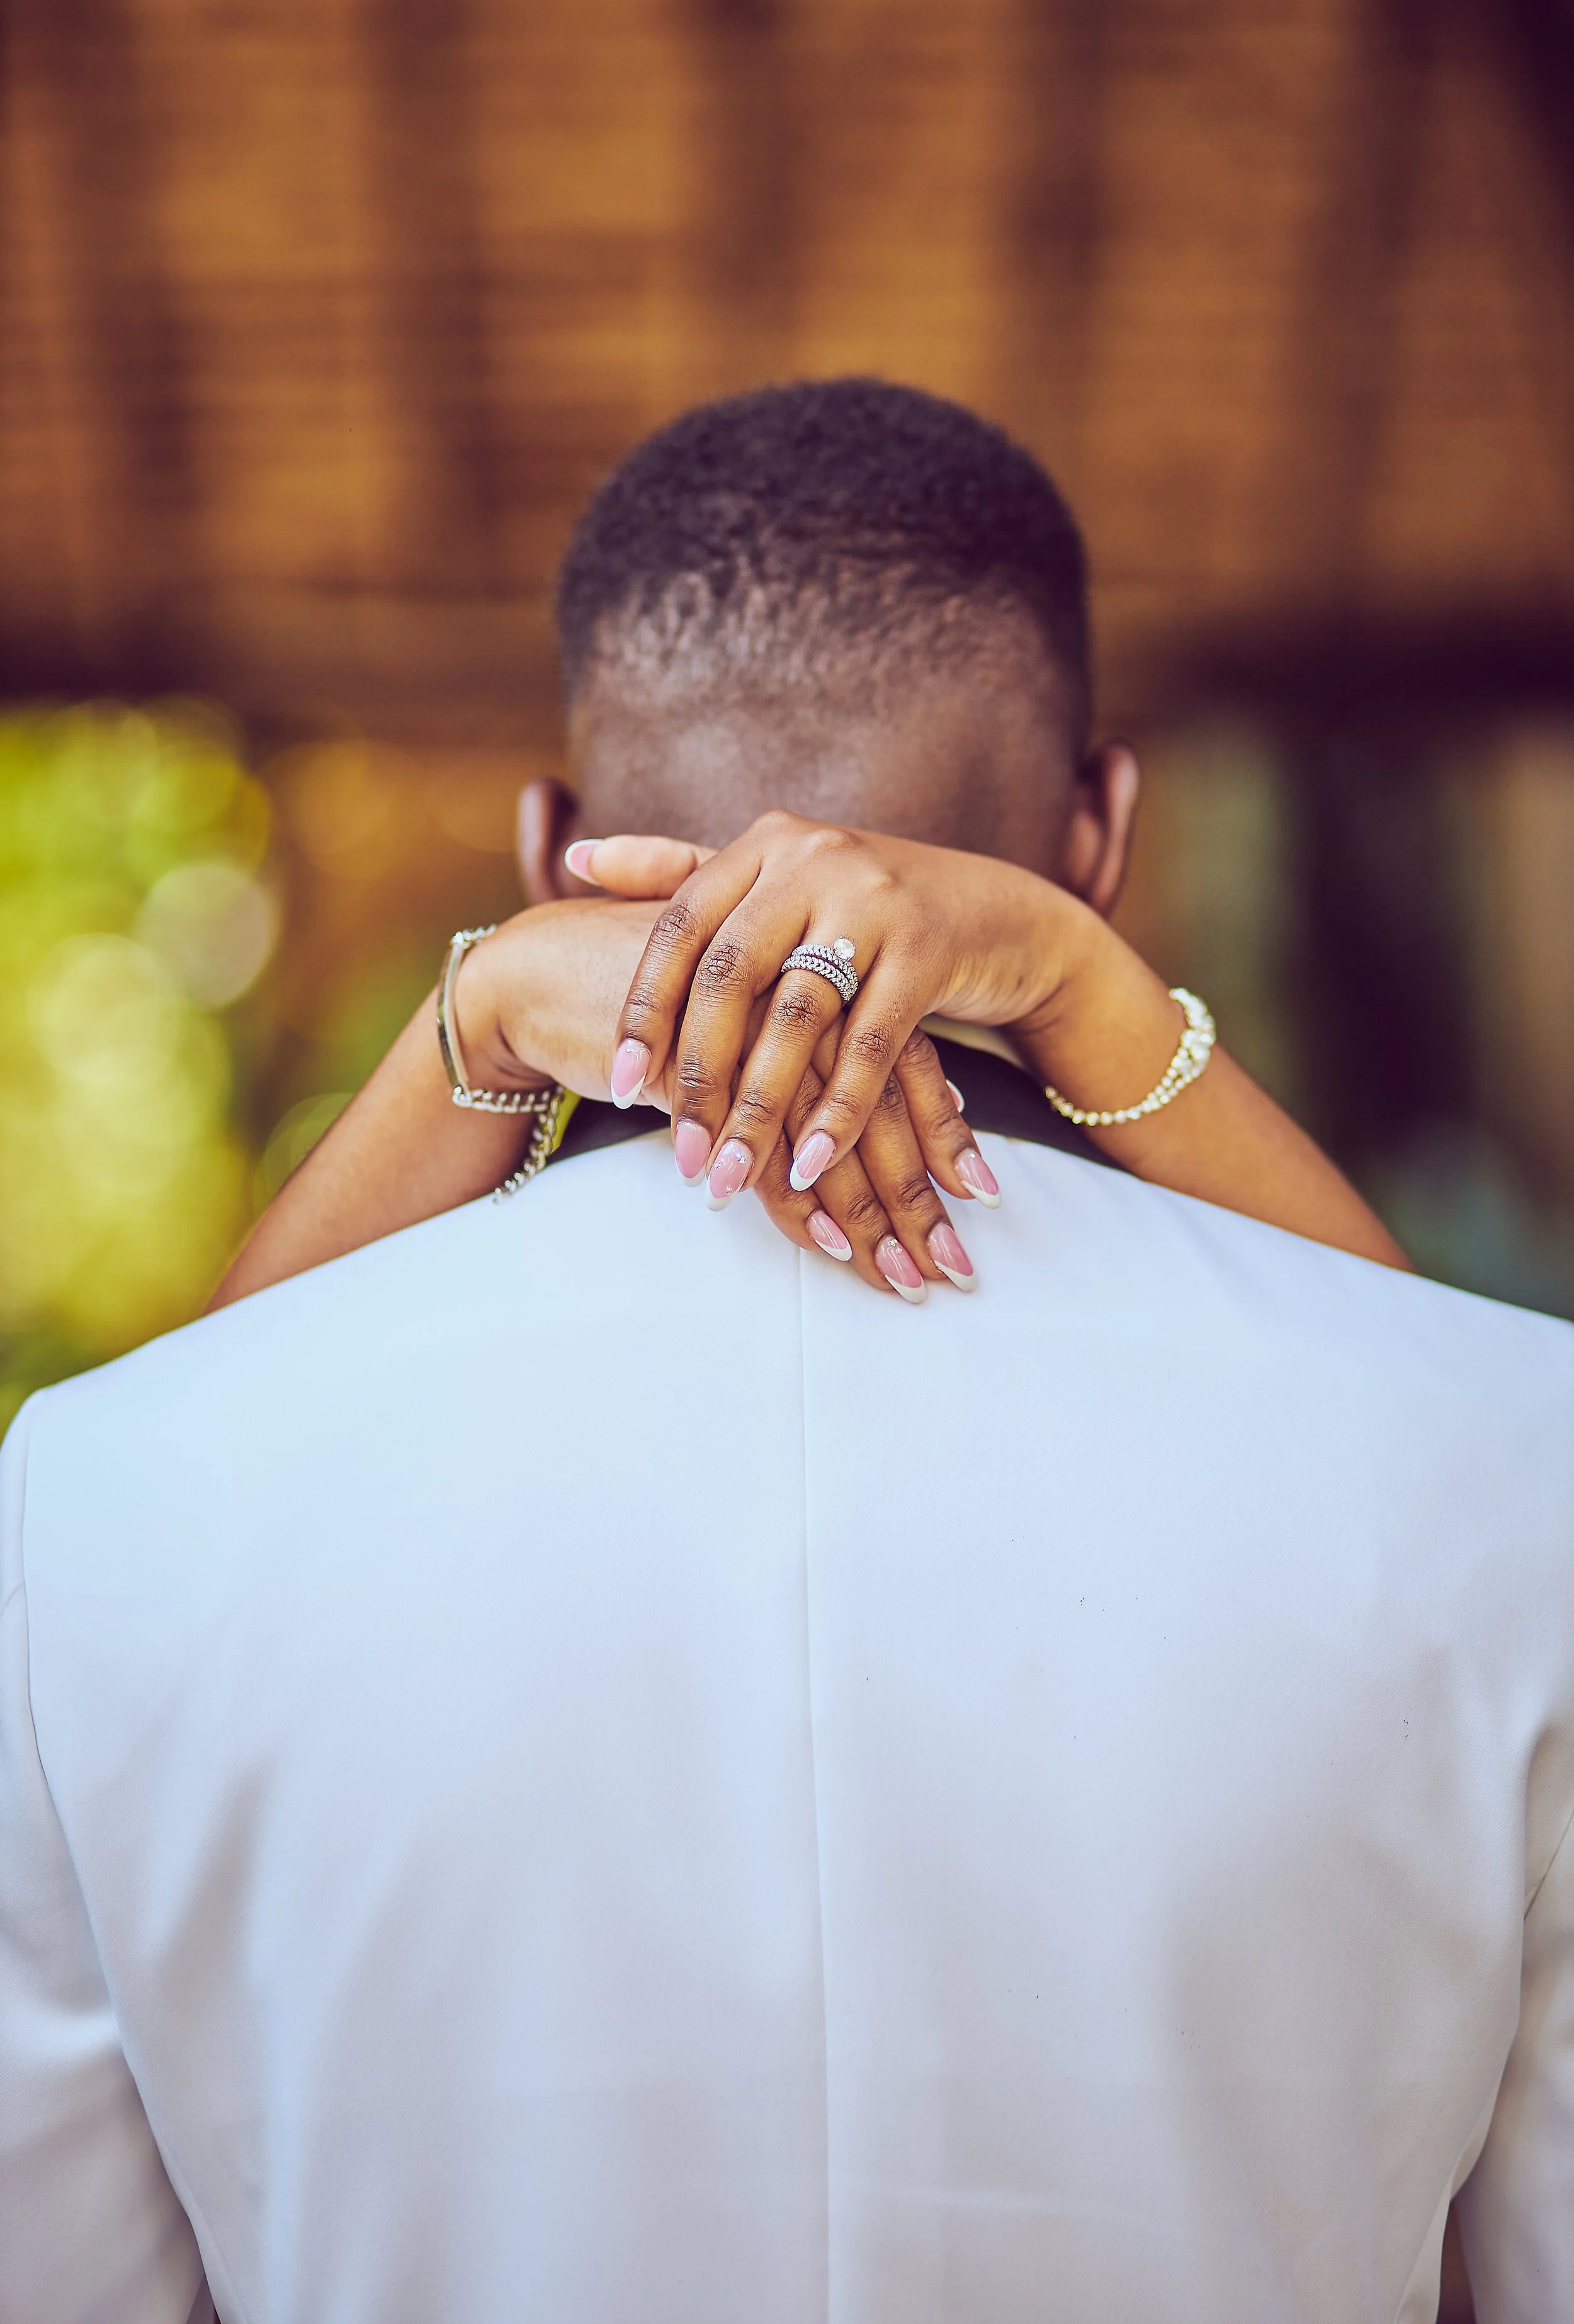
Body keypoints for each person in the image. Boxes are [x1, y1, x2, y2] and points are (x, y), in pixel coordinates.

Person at [2, 381, 1570, 2324]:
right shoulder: (1504, 1465)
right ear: (1102, 829)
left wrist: (475, 1017)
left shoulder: (104, 1514)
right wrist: (1089, 998)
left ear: (555, 843)